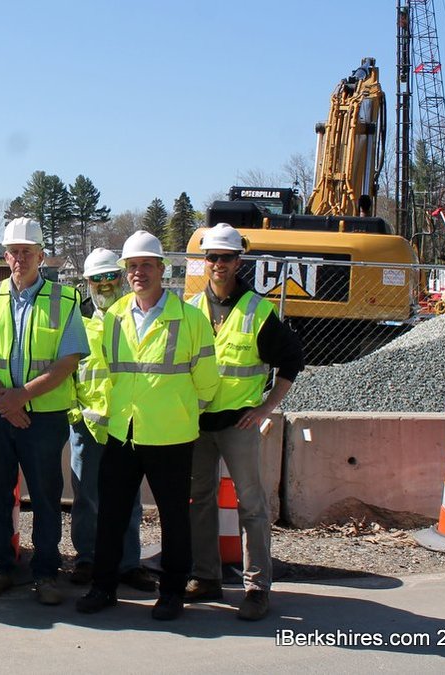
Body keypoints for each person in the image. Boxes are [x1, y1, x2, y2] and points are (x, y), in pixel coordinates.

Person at [75, 230, 219, 620]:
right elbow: (105, 371)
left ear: (161, 268)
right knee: (112, 515)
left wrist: (179, 410)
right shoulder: (116, 315)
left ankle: (171, 592)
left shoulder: (190, 318)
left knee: (174, 518)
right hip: (124, 431)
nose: (139, 272)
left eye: (146, 265)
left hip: (171, 434)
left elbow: (207, 381)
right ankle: (103, 587)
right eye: (133, 266)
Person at [0, 217, 87, 606]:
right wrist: (4, 398)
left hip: (44, 417)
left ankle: (46, 573)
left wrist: (21, 396)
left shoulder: (64, 299)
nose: (20, 259)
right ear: (5, 256)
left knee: (46, 496)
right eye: (14, 252)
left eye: (27, 253)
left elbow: (68, 360)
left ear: (41, 256)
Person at [185, 223, 304, 621]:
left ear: (239, 261)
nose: (218, 264)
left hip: (239, 425)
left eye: (226, 258)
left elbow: (291, 362)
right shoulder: (190, 309)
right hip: (198, 425)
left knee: (251, 505)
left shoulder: (257, 310)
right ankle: (206, 577)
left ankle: (256, 588)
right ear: (205, 262)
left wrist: (266, 408)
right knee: (198, 501)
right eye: (212, 257)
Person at [67, 248, 158, 594]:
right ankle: (87, 559)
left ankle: (127, 564)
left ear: (119, 279)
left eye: (111, 277)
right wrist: (74, 412)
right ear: (86, 282)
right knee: (87, 496)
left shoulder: (131, 316)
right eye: (97, 279)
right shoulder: (75, 318)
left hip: (125, 425)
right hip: (86, 424)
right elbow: (67, 371)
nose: (104, 285)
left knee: (128, 498)